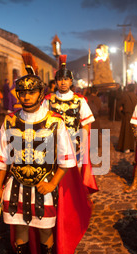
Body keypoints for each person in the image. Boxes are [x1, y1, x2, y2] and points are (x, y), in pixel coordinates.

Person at [0, 54, 92, 254]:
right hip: (15, 185)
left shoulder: (55, 122)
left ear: (40, 93)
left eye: (31, 92)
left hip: (43, 184)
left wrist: (53, 184)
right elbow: (3, 159)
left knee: (45, 229)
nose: (25, 97)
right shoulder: (10, 121)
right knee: (20, 227)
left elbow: (66, 160)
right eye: (21, 93)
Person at [42, 55, 98, 194]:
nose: (63, 82)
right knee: (54, 172)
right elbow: (42, 122)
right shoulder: (48, 100)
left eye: (66, 79)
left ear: (71, 81)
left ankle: (76, 196)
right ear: (55, 82)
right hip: (52, 144)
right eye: (60, 79)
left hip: (75, 143)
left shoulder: (80, 100)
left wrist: (84, 143)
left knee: (75, 171)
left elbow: (85, 123)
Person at [117, 84, 137, 153]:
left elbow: (119, 105)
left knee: (126, 132)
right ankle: (132, 147)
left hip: (127, 115)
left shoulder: (125, 95)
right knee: (132, 132)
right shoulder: (135, 96)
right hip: (134, 116)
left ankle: (126, 147)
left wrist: (121, 114)